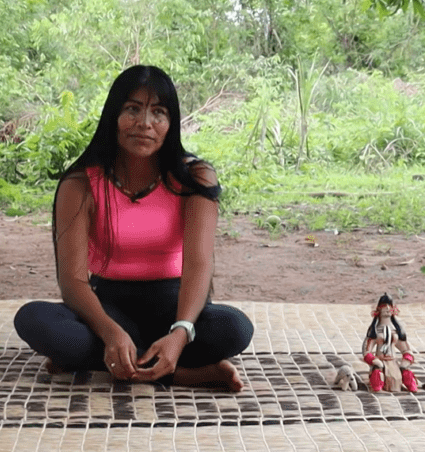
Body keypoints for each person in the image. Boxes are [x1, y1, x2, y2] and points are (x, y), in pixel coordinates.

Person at [14, 65, 254, 391]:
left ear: (171, 124)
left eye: (159, 112)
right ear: (114, 115)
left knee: (235, 328)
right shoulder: (80, 182)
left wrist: (180, 333)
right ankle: (181, 374)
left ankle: (103, 361)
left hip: (175, 305)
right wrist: (111, 332)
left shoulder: (195, 177)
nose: (144, 124)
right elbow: (71, 280)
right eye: (132, 109)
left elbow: (199, 263)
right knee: (34, 320)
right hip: (108, 307)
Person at [362, 293, 418, 393]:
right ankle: (378, 385)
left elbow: (406, 349)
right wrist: (374, 360)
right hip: (380, 361)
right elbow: (367, 351)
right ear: (378, 309)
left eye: (390, 305)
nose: (387, 308)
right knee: (378, 375)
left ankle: (411, 385)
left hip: (393, 361)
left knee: (405, 373)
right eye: (384, 305)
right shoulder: (375, 331)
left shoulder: (396, 331)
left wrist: (406, 361)